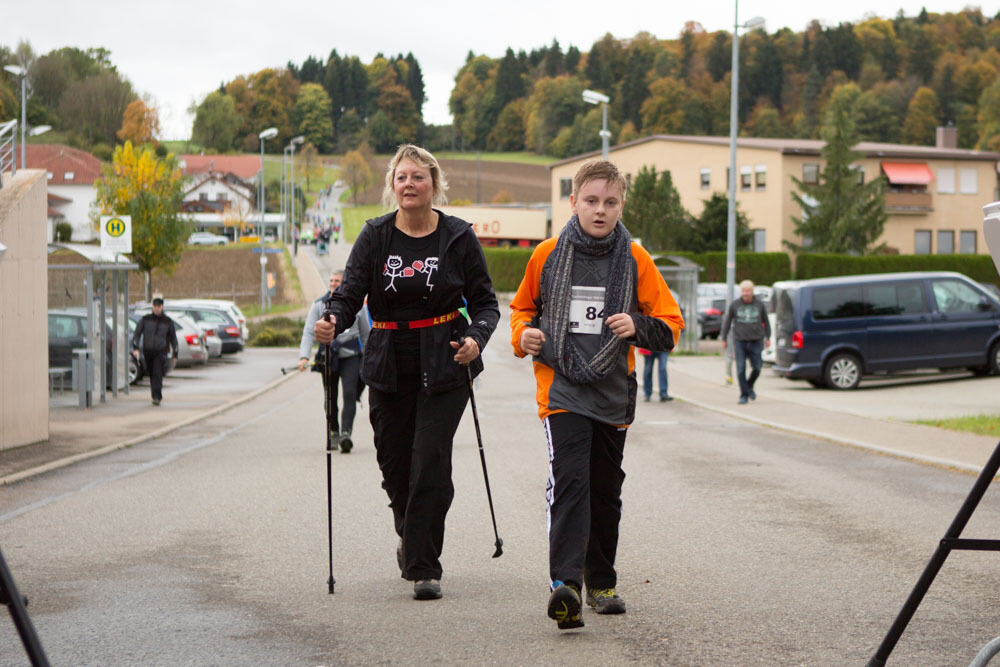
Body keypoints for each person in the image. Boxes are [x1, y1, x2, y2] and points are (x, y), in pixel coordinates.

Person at [314, 144, 499, 601]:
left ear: (434, 184)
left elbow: (486, 304)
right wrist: (332, 319)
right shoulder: (375, 236)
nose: (410, 184)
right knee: (395, 463)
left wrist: (476, 337)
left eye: (418, 177)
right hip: (388, 359)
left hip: (446, 358)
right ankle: (412, 530)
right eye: (402, 177)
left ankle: (423, 565)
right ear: (392, 187)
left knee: (429, 461)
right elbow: (349, 294)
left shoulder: (457, 237)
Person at [509, 160, 684, 630]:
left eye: (609, 202)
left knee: (605, 492)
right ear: (573, 202)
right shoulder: (546, 254)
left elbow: (671, 326)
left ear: (621, 204)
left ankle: (601, 582)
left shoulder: (636, 260)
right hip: (562, 389)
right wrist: (522, 335)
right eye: (591, 201)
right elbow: (522, 310)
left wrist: (638, 325)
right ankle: (564, 586)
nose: (600, 210)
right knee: (571, 482)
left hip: (611, 395)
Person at [298, 269, 370, 453]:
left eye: (337, 280)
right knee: (330, 396)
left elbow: (366, 333)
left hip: (351, 356)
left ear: (343, 282)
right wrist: (304, 356)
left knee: (349, 393)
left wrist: (371, 357)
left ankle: (346, 434)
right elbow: (308, 331)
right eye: (331, 280)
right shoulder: (319, 306)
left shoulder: (358, 306)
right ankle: (333, 432)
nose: (333, 283)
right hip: (328, 356)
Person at [720, 279, 771, 405]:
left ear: (752, 292)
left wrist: (768, 337)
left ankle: (748, 387)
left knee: (757, 368)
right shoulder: (735, 305)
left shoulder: (759, 304)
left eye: (748, 291)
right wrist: (724, 338)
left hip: (756, 341)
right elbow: (727, 322)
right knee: (740, 369)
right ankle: (744, 395)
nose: (745, 294)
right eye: (743, 291)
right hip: (740, 341)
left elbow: (766, 322)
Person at [131, 297, 178, 406]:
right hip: (148, 351)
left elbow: (173, 339)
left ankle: (157, 396)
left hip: (161, 351)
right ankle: (155, 394)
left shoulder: (167, 321)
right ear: (152, 307)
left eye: (159, 307)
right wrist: (136, 348)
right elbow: (137, 334)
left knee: (158, 373)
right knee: (152, 373)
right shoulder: (146, 319)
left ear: (162, 307)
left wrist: (175, 354)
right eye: (155, 306)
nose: (157, 309)